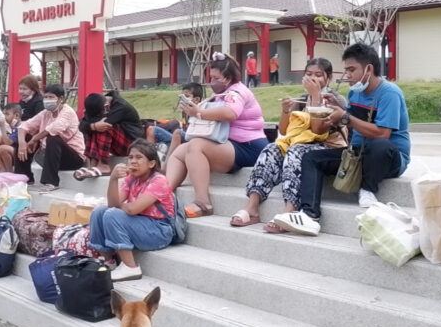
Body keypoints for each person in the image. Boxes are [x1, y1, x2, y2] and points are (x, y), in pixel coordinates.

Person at [278, 43, 411, 235]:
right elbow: (350, 122)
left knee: (379, 144)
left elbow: (383, 133)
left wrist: (346, 117)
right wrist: (334, 113)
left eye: (351, 70)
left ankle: (367, 189)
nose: (347, 75)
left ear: (369, 69)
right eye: (346, 70)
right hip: (357, 154)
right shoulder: (354, 92)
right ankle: (310, 215)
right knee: (311, 158)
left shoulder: (389, 93)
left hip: (388, 157)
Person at [230, 58, 348, 232]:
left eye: (318, 75)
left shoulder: (335, 100)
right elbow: (285, 131)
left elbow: (317, 130)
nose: (313, 79)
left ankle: (290, 210)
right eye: (308, 74)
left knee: (295, 152)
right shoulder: (301, 99)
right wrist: (285, 111)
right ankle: (253, 206)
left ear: (328, 78)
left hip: (328, 148)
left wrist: (316, 97)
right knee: (271, 149)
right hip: (301, 145)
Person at [167, 52, 267, 217]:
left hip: (249, 147)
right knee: (179, 153)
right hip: (228, 145)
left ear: (228, 78)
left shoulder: (238, 92)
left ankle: (202, 202)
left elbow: (230, 113)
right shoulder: (220, 93)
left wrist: (198, 113)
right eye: (211, 77)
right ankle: (163, 192)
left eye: (216, 78)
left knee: (195, 146)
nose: (212, 81)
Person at [89, 140, 176, 282]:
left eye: (139, 157)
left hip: (160, 230)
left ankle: (130, 267)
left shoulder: (159, 181)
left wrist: (122, 207)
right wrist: (113, 179)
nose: (133, 161)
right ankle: (108, 261)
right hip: (140, 224)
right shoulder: (131, 179)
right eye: (130, 157)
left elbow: (132, 209)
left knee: (112, 215)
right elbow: (113, 204)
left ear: (151, 164)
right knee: (99, 212)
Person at [15, 84, 85, 190]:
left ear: (61, 99)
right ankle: (25, 178)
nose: (47, 100)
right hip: (50, 157)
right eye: (46, 97)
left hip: (73, 158)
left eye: (51, 97)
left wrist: (35, 139)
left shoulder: (68, 112)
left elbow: (54, 128)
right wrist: (22, 143)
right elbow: (24, 126)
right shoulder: (46, 113)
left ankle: (51, 182)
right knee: (23, 139)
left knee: (53, 138)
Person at [75, 89, 144, 180]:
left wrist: (93, 125)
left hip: (132, 144)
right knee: (93, 127)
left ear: (106, 106)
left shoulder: (120, 106)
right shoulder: (98, 104)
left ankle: (103, 165)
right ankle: (93, 164)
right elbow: (82, 126)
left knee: (104, 126)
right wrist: (93, 126)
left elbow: (103, 124)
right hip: (115, 144)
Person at [145, 82, 204, 168]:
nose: (182, 100)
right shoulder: (185, 111)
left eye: (186, 97)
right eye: (181, 97)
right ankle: (149, 163)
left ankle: (161, 167)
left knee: (172, 132)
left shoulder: (201, 111)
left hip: (193, 141)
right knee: (152, 131)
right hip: (183, 137)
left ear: (196, 100)